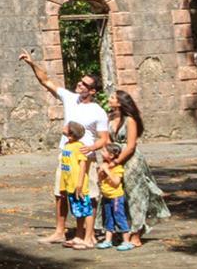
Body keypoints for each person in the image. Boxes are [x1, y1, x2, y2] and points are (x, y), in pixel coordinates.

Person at [20, 51, 109, 246]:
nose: (79, 84)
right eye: (80, 81)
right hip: (66, 155)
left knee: (88, 195)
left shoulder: (98, 111)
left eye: (84, 84)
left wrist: (91, 147)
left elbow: (105, 139)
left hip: (85, 159)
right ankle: (60, 231)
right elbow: (46, 80)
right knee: (60, 193)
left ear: (92, 91)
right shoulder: (70, 98)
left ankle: (87, 234)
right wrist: (32, 63)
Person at [105, 89, 170, 248]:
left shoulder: (130, 120)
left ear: (120, 102)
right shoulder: (110, 118)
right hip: (113, 159)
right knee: (117, 196)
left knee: (135, 196)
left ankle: (136, 233)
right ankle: (120, 231)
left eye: (113, 97)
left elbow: (131, 146)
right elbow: (107, 140)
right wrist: (108, 158)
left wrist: (117, 161)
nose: (109, 98)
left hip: (131, 161)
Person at [57, 121, 97, 249]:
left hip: (79, 185)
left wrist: (79, 183)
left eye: (66, 126)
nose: (63, 126)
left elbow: (83, 165)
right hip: (70, 185)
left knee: (87, 210)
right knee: (78, 211)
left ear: (71, 133)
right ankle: (79, 236)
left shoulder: (79, 146)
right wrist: (63, 187)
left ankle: (88, 238)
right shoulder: (67, 146)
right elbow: (65, 168)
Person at [96, 160, 132, 250]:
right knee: (108, 218)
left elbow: (116, 182)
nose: (102, 153)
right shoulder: (105, 165)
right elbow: (100, 181)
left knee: (119, 217)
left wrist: (107, 170)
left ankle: (126, 241)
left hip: (116, 198)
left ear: (111, 155)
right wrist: (101, 171)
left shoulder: (118, 168)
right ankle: (108, 240)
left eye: (104, 151)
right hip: (106, 197)